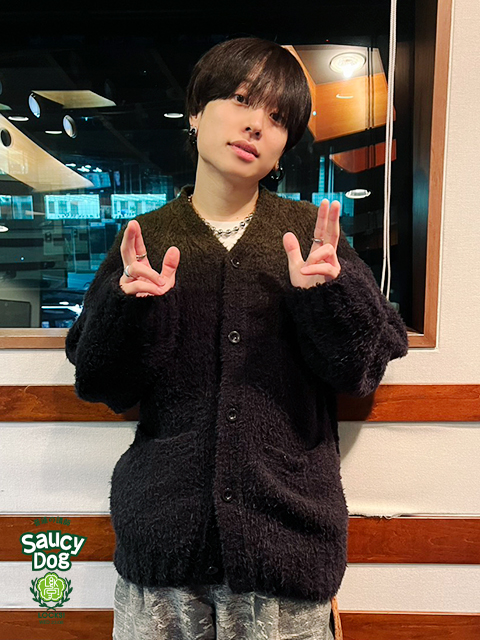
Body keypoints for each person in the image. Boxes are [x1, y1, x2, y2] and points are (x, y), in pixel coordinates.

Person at [65, 36, 409, 640]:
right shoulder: (145, 239)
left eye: (277, 118)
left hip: (286, 549)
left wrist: (329, 296)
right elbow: (102, 384)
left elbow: (361, 371)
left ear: (282, 148)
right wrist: (129, 309)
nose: (256, 125)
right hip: (164, 546)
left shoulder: (311, 237)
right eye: (242, 100)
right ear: (196, 113)